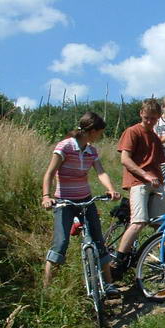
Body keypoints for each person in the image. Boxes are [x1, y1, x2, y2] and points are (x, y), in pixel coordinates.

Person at [42, 111, 121, 293]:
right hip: (64, 201)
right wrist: (46, 197)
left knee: (99, 241)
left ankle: (108, 284)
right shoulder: (64, 147)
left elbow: (100, 172)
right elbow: (50, 173)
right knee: (61, 243)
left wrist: (110, 189)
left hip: (86, 200)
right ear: (92, 131)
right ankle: (47, 290)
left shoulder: (91, 150)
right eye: (100, 132)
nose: (100, 136)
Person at [110, 98, 165, 276]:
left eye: (153, 118)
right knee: (139, 222)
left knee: (163, 225)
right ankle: (117, 261)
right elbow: (125, 159)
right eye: (147, 117)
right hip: (138, 182)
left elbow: (158, 164)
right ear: (141, 114)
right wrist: (145, 175)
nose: (149, 121)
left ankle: (163, 264)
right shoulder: (132, 132)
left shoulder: (155, 138)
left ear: (158, 118)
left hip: (155, 182)